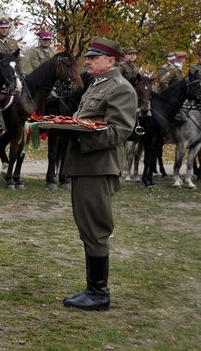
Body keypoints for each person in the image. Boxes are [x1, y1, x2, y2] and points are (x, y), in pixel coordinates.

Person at [59, 37, 137, 312]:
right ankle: (94, 289)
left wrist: (78, 139)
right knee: (87, 226)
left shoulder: (121, 88)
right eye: (88, 58)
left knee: (95, 228)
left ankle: (98, 293)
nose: (88, 61)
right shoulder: (98, 85)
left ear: (111, 61)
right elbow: (88, 121)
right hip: (86, 166)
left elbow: (120, 130)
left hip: (99, 167)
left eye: (93, 58)